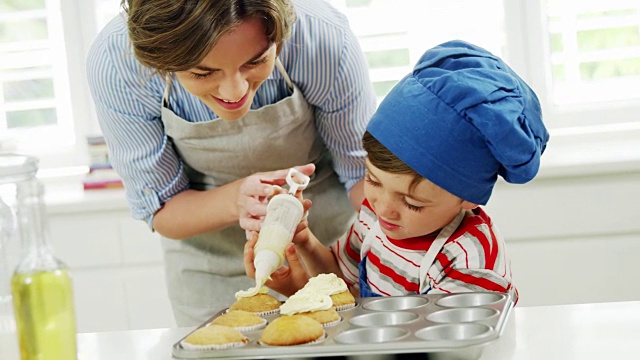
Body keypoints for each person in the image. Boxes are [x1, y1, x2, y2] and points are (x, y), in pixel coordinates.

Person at [86, 0, 376, 325]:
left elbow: (364, 178)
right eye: (203, 72)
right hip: (212, 270)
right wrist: (236, 200)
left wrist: (408, 243)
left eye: (255, 62)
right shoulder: (118, 63)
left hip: (327, 252)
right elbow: (160, 207)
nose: (234, 91)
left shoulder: (323, 39)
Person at [244, 40, 549, 298]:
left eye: (412, 203)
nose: (384, 209)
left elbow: (452, 347)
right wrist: (305, 244)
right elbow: (342, 284)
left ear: (468, 197)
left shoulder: (468, 258)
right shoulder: (373, 219)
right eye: (373, 181)